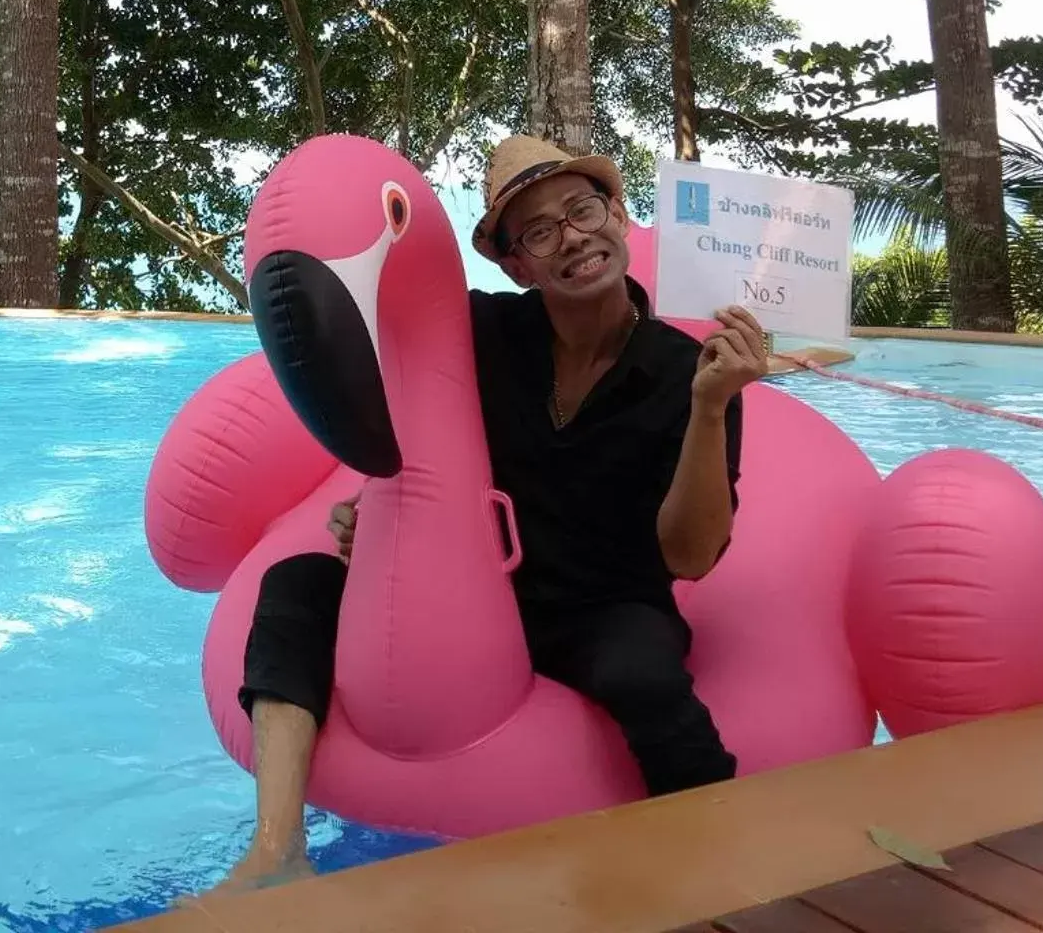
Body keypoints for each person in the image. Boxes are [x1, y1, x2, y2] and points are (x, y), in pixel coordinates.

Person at [211, 136, 767, 893]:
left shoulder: (687, 370)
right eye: (539, 231)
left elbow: (690, 557)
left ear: (617, 213)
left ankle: (723, 866)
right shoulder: (482, 332)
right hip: (473, 589)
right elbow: (410, 402)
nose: (572, 235)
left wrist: (710, 407)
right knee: (297, 586)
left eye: (583, 209)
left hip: (602, 603)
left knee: (640, 671)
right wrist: (378, 512)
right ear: (516, 265)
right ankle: (275, 848)